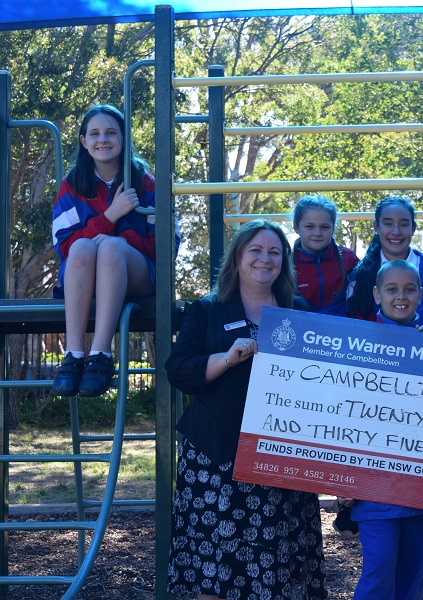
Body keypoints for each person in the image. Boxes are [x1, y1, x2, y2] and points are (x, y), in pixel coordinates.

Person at [165, 220, 327, 600]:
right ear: (238, 257)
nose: (264, 258)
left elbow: (330, 374)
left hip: (278, 457)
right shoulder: (208, 309)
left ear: (284, 262)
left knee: (276, 567)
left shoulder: (299, 311)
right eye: (255, 250)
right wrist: (226, 358)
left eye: (274, 252)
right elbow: (178, 369)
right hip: (215, 457)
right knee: (214, 568)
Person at [50, 104, 176, 397]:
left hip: (137, 274)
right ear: (83, 141)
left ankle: (101, 355)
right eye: (94, 133)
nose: (102, 139)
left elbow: (166, 247)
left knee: (112, 249)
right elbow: (65, 246)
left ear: (123, 138)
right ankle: (74, 355)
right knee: (81, 248)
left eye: (110, 132)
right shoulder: (72, 186)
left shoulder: (146, 183)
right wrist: (110, 216)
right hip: (83, 277)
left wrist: (114, 241)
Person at [341, 259, 423, 600]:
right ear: (376, 294)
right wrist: (339, 478)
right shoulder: (357, 346)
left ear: (420, 295)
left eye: (410, 289)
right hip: (372, 484)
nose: (401, 296)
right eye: (392, 289)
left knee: (414, 577)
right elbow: (338, 416)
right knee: (380, 568)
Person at [345, 196, 423, 330]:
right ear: (376, 227)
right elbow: (354, 322)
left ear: (413, 228)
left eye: (404, 225)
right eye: (388, 224)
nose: (396, 232)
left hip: (420, 347)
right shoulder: (360, 272)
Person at [292, 194, 359, 315]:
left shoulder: (348, 258)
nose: (317, 233)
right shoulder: (286, 263)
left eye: (324, 227)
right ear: (296, 227)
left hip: (341, 330)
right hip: (302, 329)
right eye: (309, 226)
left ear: (333, 228)